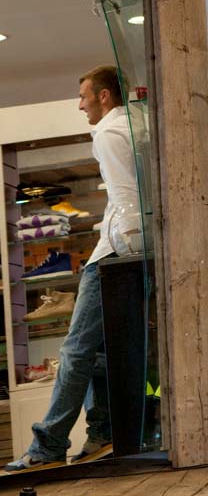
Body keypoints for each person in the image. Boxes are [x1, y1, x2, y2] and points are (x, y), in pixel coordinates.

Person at [6, 66, 140, 472]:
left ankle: (48, 446)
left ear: (103, 96)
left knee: (74, 350)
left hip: (113, 254)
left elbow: (126, 198)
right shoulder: (138, 125)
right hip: (126, 252)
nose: (80, 105)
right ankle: (102, 432)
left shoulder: (109, 133)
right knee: (99, 351)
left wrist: (125, 243)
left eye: (84, 96)